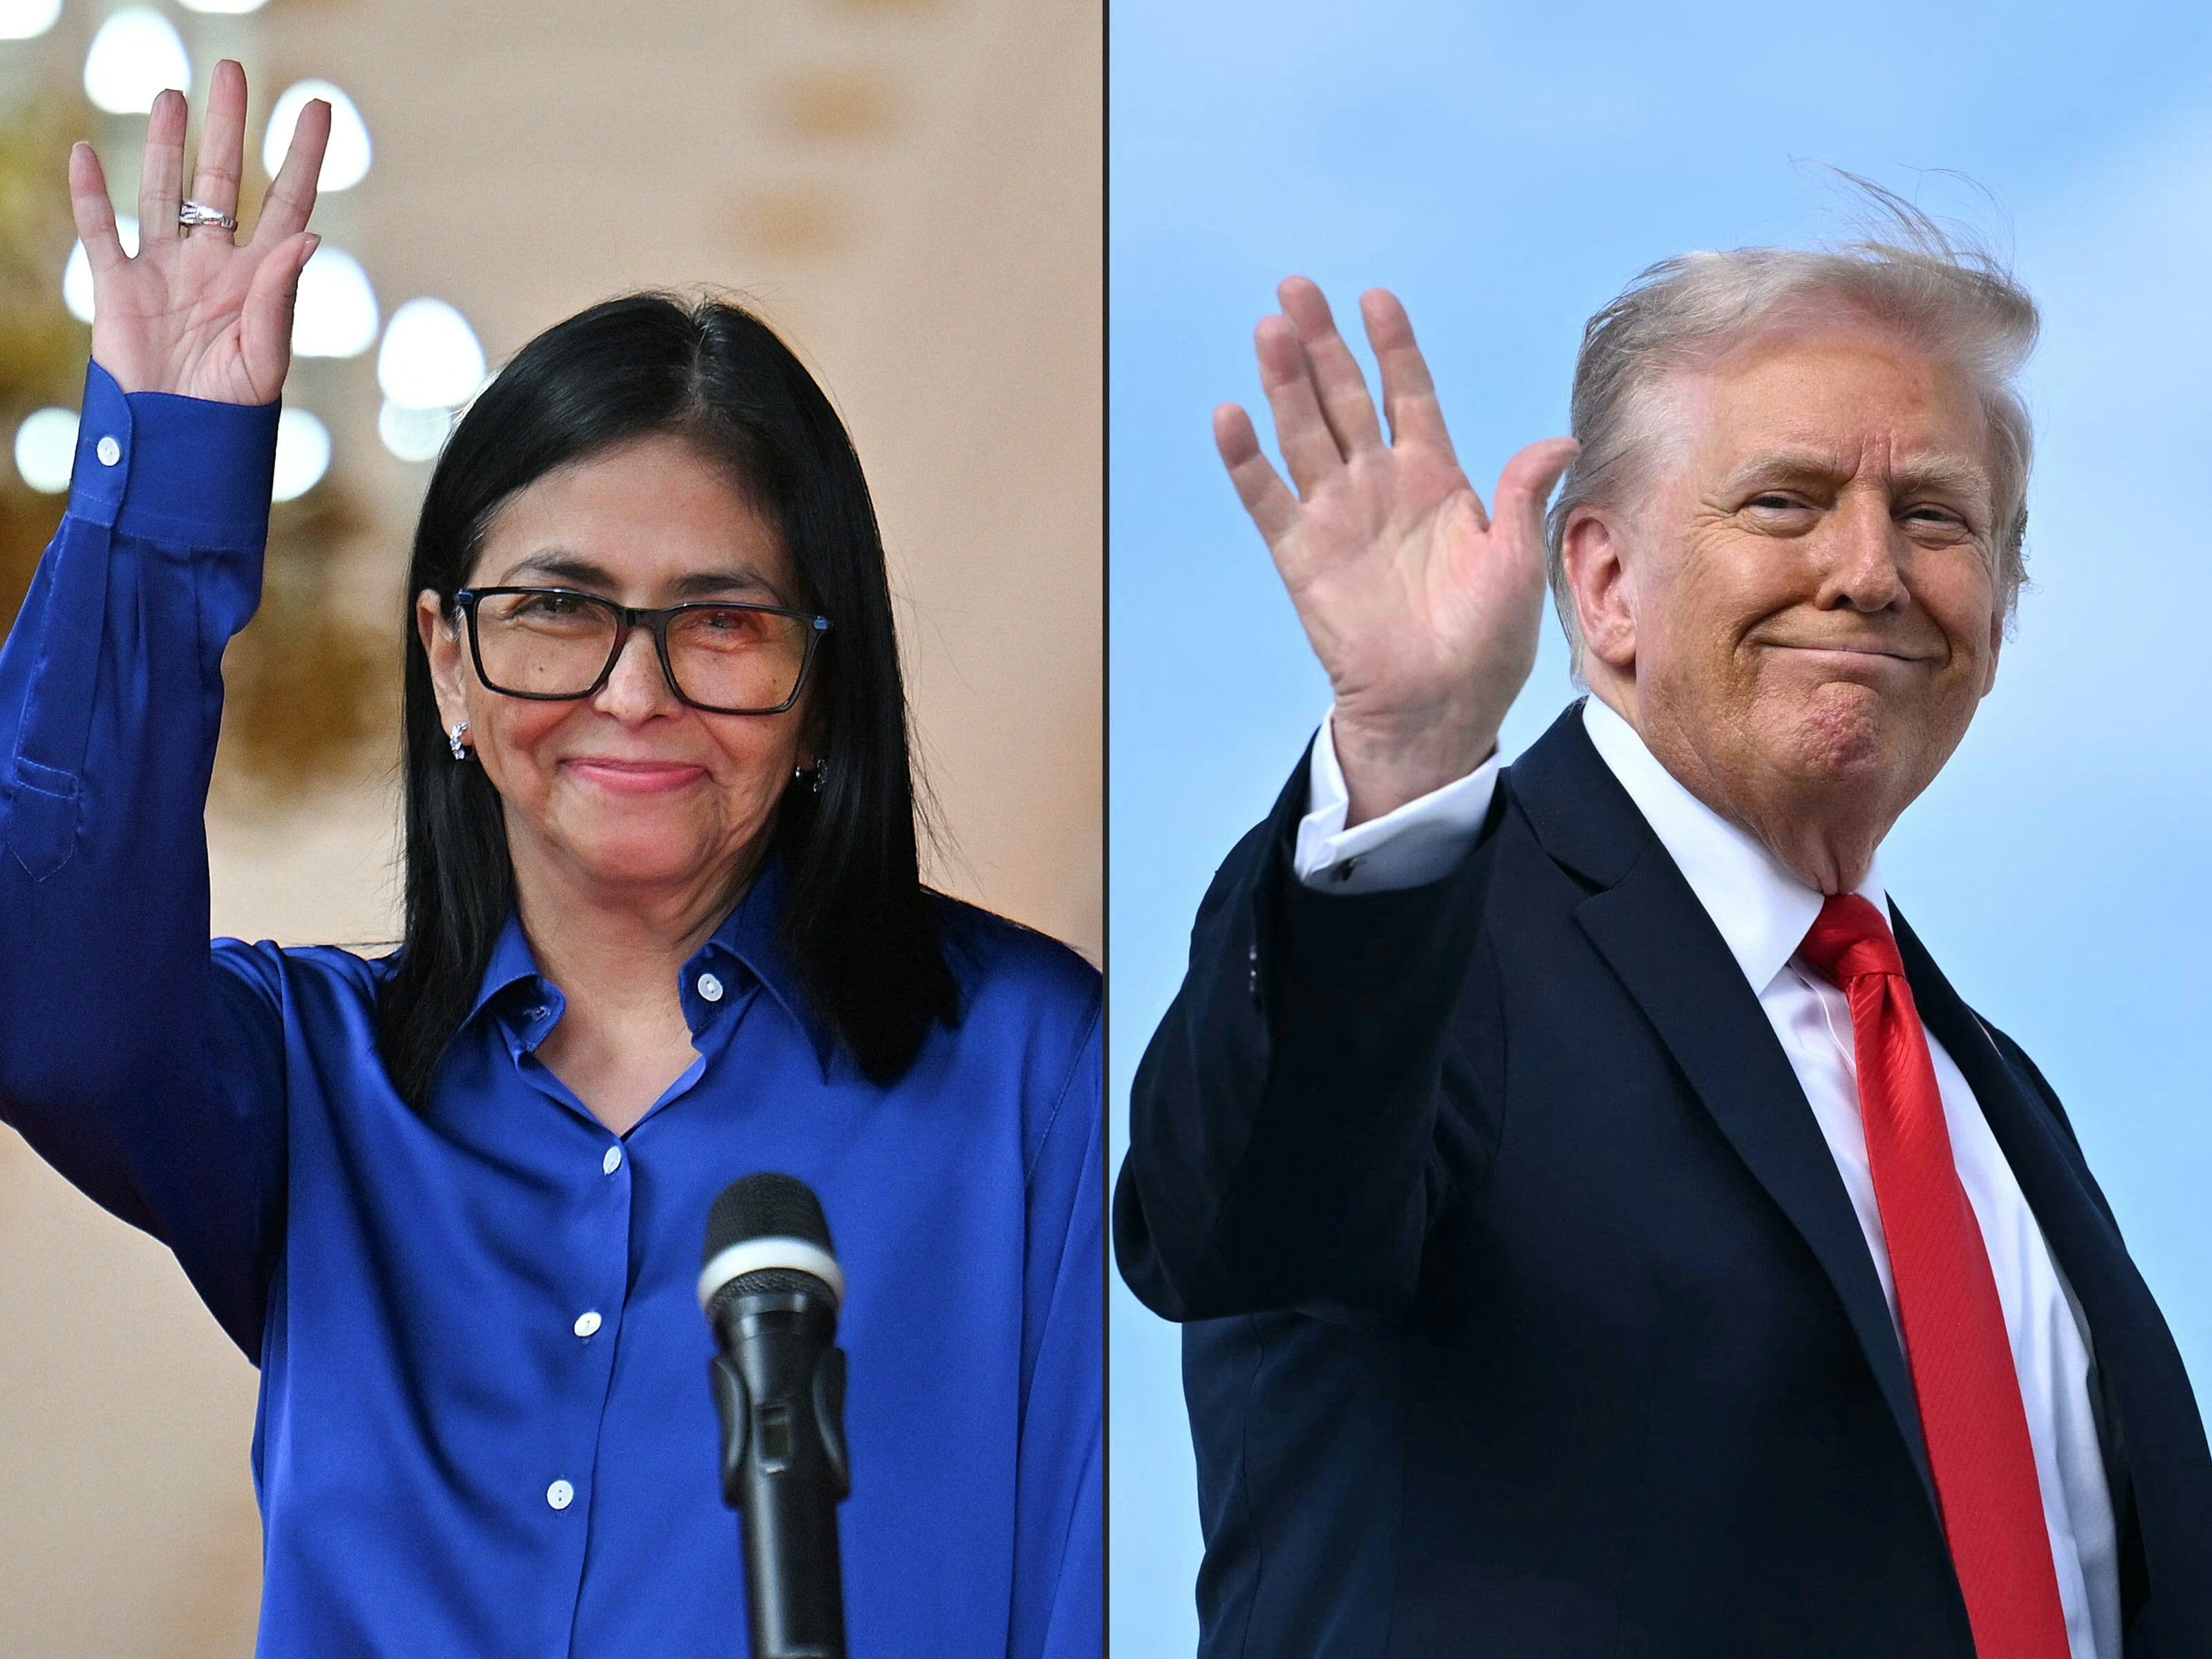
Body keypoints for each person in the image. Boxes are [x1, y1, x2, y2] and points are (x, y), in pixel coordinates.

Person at [0, 64, 1100, 1657]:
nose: (634, 690)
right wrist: (161, 484)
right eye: (558, 610)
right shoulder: (319, 1085)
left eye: (721, 622)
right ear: (446, 664)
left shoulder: (1030, 1068)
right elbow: (48, 1004)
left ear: (820, 686)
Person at [1114, 207, 2212, 1657]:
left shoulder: (1986, 1095)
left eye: (1935, 516)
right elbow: (1243, 1218)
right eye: (1785, 501)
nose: (1869, 570)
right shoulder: (1439, 942)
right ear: (1607, 585)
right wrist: (1413, 754)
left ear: (1996, 615)